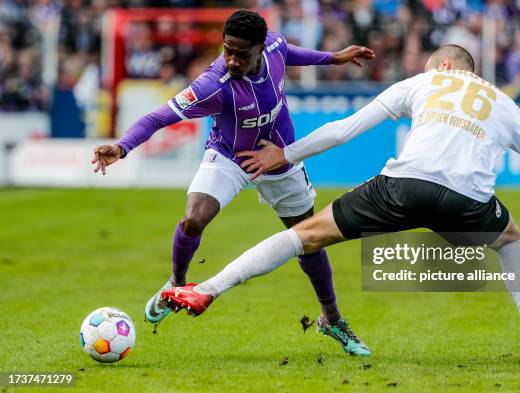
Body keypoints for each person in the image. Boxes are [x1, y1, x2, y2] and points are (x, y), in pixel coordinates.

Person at [160, 44, 520, 365]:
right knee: (511, 241)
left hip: (403, 187)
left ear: (444, 66)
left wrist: (286, 154)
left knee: (306, 235)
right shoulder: (505, 104)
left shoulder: (425, 81)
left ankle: (205, 289)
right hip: (469, 201)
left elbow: (344, 130)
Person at [90, 9, 375, 356]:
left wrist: (333, 58)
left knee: (311, 240)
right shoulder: (213, 85)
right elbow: (159, 116)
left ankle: (331, 319)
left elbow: (290, 51)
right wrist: (122, 146)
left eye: (241, 53)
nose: (231, 60)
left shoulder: (274, 46)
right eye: (227, 50)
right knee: (193, 218)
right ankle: (177, 284)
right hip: (230, 157)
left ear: (259, 48)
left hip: (280, 159)